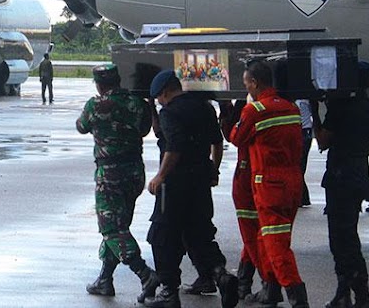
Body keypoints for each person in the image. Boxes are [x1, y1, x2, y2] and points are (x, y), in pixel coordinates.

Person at [145, 70, 238, 308]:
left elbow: (173, 146)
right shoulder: (203, 107)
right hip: (200, 182)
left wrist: (160, 176)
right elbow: (217, 142)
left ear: (165, 92)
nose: (159, 102)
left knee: (162, 237)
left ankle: (168, 292)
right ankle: (221, 275)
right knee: (200, 233)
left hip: (175, 185)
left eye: (158, 98)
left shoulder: (171, 112)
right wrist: (213, 171)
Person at [76, 64, 160, 304]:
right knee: (120, 226)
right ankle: (105, 278)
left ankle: (145, 274)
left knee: (112, 229)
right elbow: (145, 130)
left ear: (99, 84)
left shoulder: (96, 105)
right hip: (134, 172)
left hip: (110, 174)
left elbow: (81, 126)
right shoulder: (137, 104)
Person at [229, 61, 309, 307]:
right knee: (268, 240)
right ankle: (270, 290)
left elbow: (236, 138)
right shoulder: (291, 109)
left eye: (247, 84)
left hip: (269, 187)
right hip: (293, 183)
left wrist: (235, 112)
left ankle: (297, 297)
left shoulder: (255, 110)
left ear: (255, 83)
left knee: (275, 245)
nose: (247, 89)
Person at [311, 61, 369, 308]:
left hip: (339, 177)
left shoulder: (340, 108)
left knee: (340, 239)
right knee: (349, 234)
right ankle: (352, 293)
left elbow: (322, 141)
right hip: (359, 174)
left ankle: (354, 295)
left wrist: (314, 110)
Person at [218, 99, 261, 302]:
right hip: (261, 177)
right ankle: (244, 282)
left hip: (250, 177)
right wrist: (225, 111)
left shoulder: (253, 109)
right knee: (253, 234)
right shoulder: (285, 106)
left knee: (254, 235)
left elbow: (235, 137)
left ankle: (269, 282)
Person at [296, 99, 313, 206]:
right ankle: (303, 197)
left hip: (302, 131)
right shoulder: (306, 100)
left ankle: (302, 196)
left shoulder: (298, 102)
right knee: (300, 166)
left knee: (299, 166)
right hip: (306, 131)